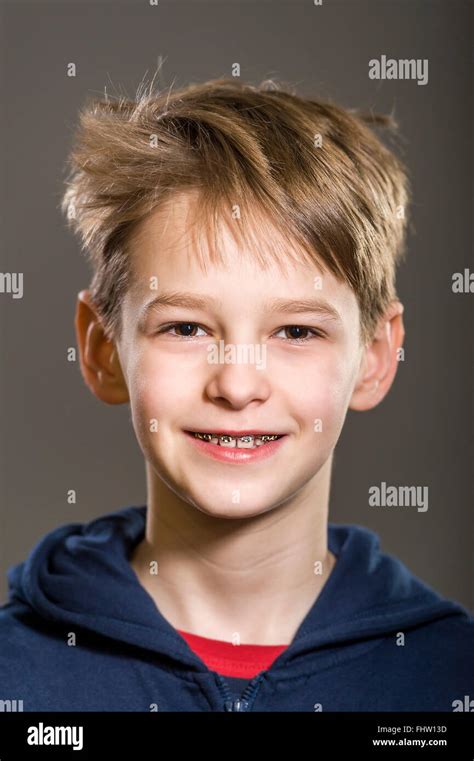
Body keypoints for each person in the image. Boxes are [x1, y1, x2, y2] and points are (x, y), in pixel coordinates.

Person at [0, 78, 472, 712]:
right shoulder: (15, 678)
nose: (238, 384)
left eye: (297, 331)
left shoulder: (451, 679)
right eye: (185, 327)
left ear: (377, 357)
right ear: (102, 348)